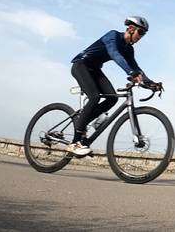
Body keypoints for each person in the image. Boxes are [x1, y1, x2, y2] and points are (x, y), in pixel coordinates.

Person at [67, 16, 160, 156]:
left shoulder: (129, 50)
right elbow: (114, 54)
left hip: (95, 70)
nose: (141, 36)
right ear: (131, 29)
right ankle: (74, 143)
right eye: (140, 32)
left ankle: (83, 120)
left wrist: (150, 83)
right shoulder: (113, 36)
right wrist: (130, 72)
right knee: (94, 97)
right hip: (81, 65)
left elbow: (136, 67)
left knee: (112, 98)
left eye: (144, 34)